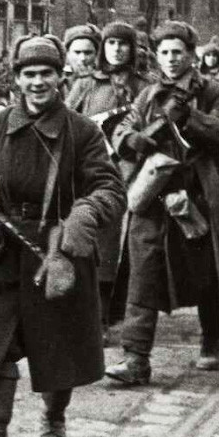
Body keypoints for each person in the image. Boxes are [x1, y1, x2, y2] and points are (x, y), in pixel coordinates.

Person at [0, 34, 124, 437]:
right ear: (17, 80)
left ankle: (54, 420)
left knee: (57, 343)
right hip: (5, 246)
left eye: (46, 73)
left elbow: (110, 188)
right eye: (29, 74)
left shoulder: (83, 131)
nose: (38, 82)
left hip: (59, 248)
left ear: (61, 77)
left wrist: (82, 219)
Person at [105, 22, 219, 385]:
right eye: (164, 53)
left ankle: (212, 339)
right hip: (153, 194)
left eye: (178, 52)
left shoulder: (215, 92)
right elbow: (124, 126)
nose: (171, 59)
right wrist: (131, 140)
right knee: (143, 271)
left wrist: (190, 118)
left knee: (206, 272)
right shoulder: (149, 94)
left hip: (198, 194)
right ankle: (136, 358)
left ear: (191, 54)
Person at [66, 20, 150, 327]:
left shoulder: (144, 86)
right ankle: (98, 316)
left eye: (123, 44)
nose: (116, 50)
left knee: (132, 244)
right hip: (95, 174)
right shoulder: (86, 84)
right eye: (111, 43)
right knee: (100, 242)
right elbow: (67, 123)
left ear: (132, 49)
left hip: (137, 172)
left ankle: (122, 309)